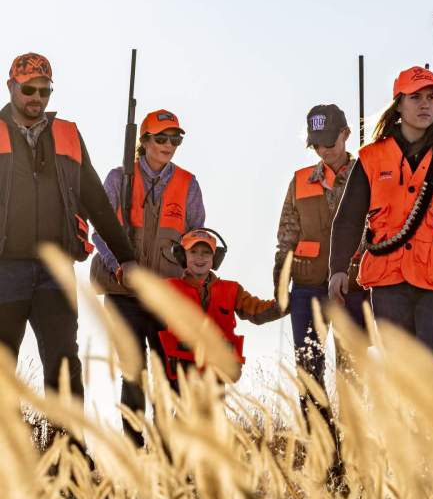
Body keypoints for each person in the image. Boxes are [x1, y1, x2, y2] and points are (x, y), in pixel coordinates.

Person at [0, 52, 135, 413]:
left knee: (63, 367)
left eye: (44, 91)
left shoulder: (68, 135)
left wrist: (127, 257)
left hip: (55, 270)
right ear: (11, 86)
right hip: (4, 270)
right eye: (28, 89)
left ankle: (69, 459)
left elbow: (96, 202)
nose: (36, 98)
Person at [329, 66, 433, 354]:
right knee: (398, 366)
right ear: (398, 104)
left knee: (430, 366)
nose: (425, 104)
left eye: (432, 98)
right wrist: (337, 269)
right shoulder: (372, 157)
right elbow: (349, 218)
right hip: (390, 277)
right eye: (416, 97)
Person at [90, 109, 205, 445]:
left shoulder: (188, 184)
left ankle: (169, 449)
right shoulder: (118, 178)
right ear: (144, 142)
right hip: (123, 291)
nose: (169, 144)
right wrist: (119, 265)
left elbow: (197, 235)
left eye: (175, 138)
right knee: (134, 371)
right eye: (161, 138)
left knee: (172, 373)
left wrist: (197, 272)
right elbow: (99, 229)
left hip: (168, 293)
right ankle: (133, 449)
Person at [274, 104, 367, 391]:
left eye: (329, 142)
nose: (323, 151)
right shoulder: (300, 180)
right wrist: (281, 277)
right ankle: (317, 434)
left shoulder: (367, 177)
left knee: (353, 371)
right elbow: (287, 233)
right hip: (307, 287)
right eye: (316, 145)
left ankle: (353, 435)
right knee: (308, 369)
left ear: (346, 134)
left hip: (355, 285)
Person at [159, 228, 284, 387]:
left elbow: (257, 311)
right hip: (183, 375)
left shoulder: (232, 290)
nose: (200, 257)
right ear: (183, 256)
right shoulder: (169, 288)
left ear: (215, 258)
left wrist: (285, 304)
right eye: (193, 252)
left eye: (206, 252)